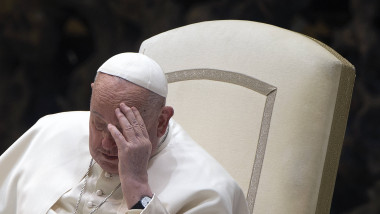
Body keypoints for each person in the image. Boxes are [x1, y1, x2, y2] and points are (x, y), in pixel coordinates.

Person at [0, 53, 249, 213]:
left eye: (124, 130)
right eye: (98, 124)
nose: (106, 143)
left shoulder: (209, 190)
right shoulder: (50, 132)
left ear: (161, 121)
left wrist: (137, 186)